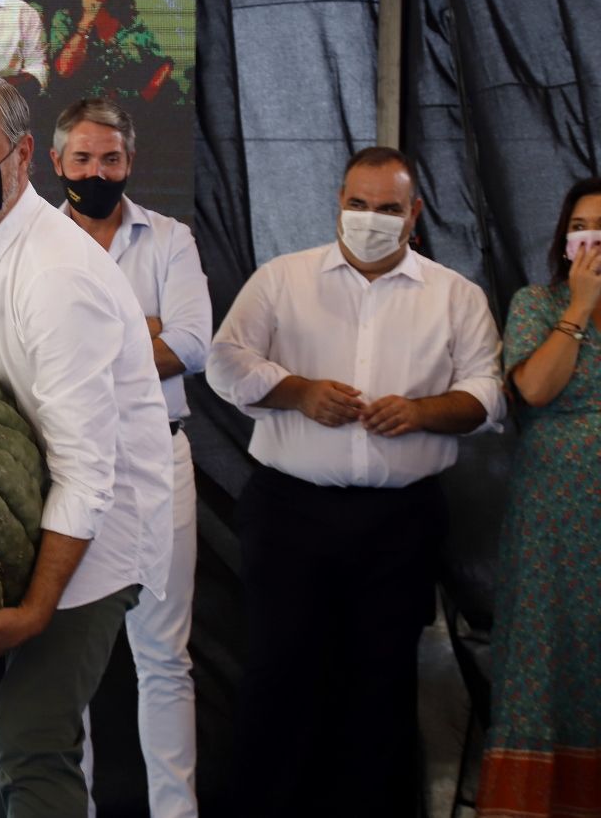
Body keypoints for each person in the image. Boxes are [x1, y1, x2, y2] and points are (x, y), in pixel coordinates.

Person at [206, 146, 505, 818]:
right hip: (290, 515)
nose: (371, 218)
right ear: (338, 203)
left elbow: (490, 393)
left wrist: (426, 411)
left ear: (415, 213)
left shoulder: (456, 295)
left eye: (389, 208)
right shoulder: (283, 279)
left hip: (401, 522)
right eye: (359, 204)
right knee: (280, 673)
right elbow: (225, 362)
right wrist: (297, 391)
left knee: (382, 682)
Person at [0, 69, 173, 818]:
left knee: (31, 736)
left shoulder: (57, 275)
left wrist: (35, 609)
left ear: (23, 154)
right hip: (17, 525)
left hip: (93, 538)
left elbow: (88, 471)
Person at [49, 98, 207, 818]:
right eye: (82, 159)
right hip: (64, 468)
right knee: (63, 664)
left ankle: (176, 813)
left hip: (158, 463)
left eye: (110, 159)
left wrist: (89, 345)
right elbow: (29, 360)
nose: (97, 171)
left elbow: (194, 346)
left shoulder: (169, 239)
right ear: (56, 163)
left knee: (164, 660)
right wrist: (140, 333)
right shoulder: (35, 241)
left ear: (130, 162)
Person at [476, 178, 601, 818]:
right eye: (581, 227)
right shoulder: (538, 303)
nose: (591, 240)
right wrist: (578, 309)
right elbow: (536, 390)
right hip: (556, 517)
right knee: (551, 647)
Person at [50, 0, 173, 106]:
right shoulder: (64, 19)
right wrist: (87, 19)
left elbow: (164, 64)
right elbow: (64, 70)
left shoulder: (133, 21)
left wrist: (143, 99)